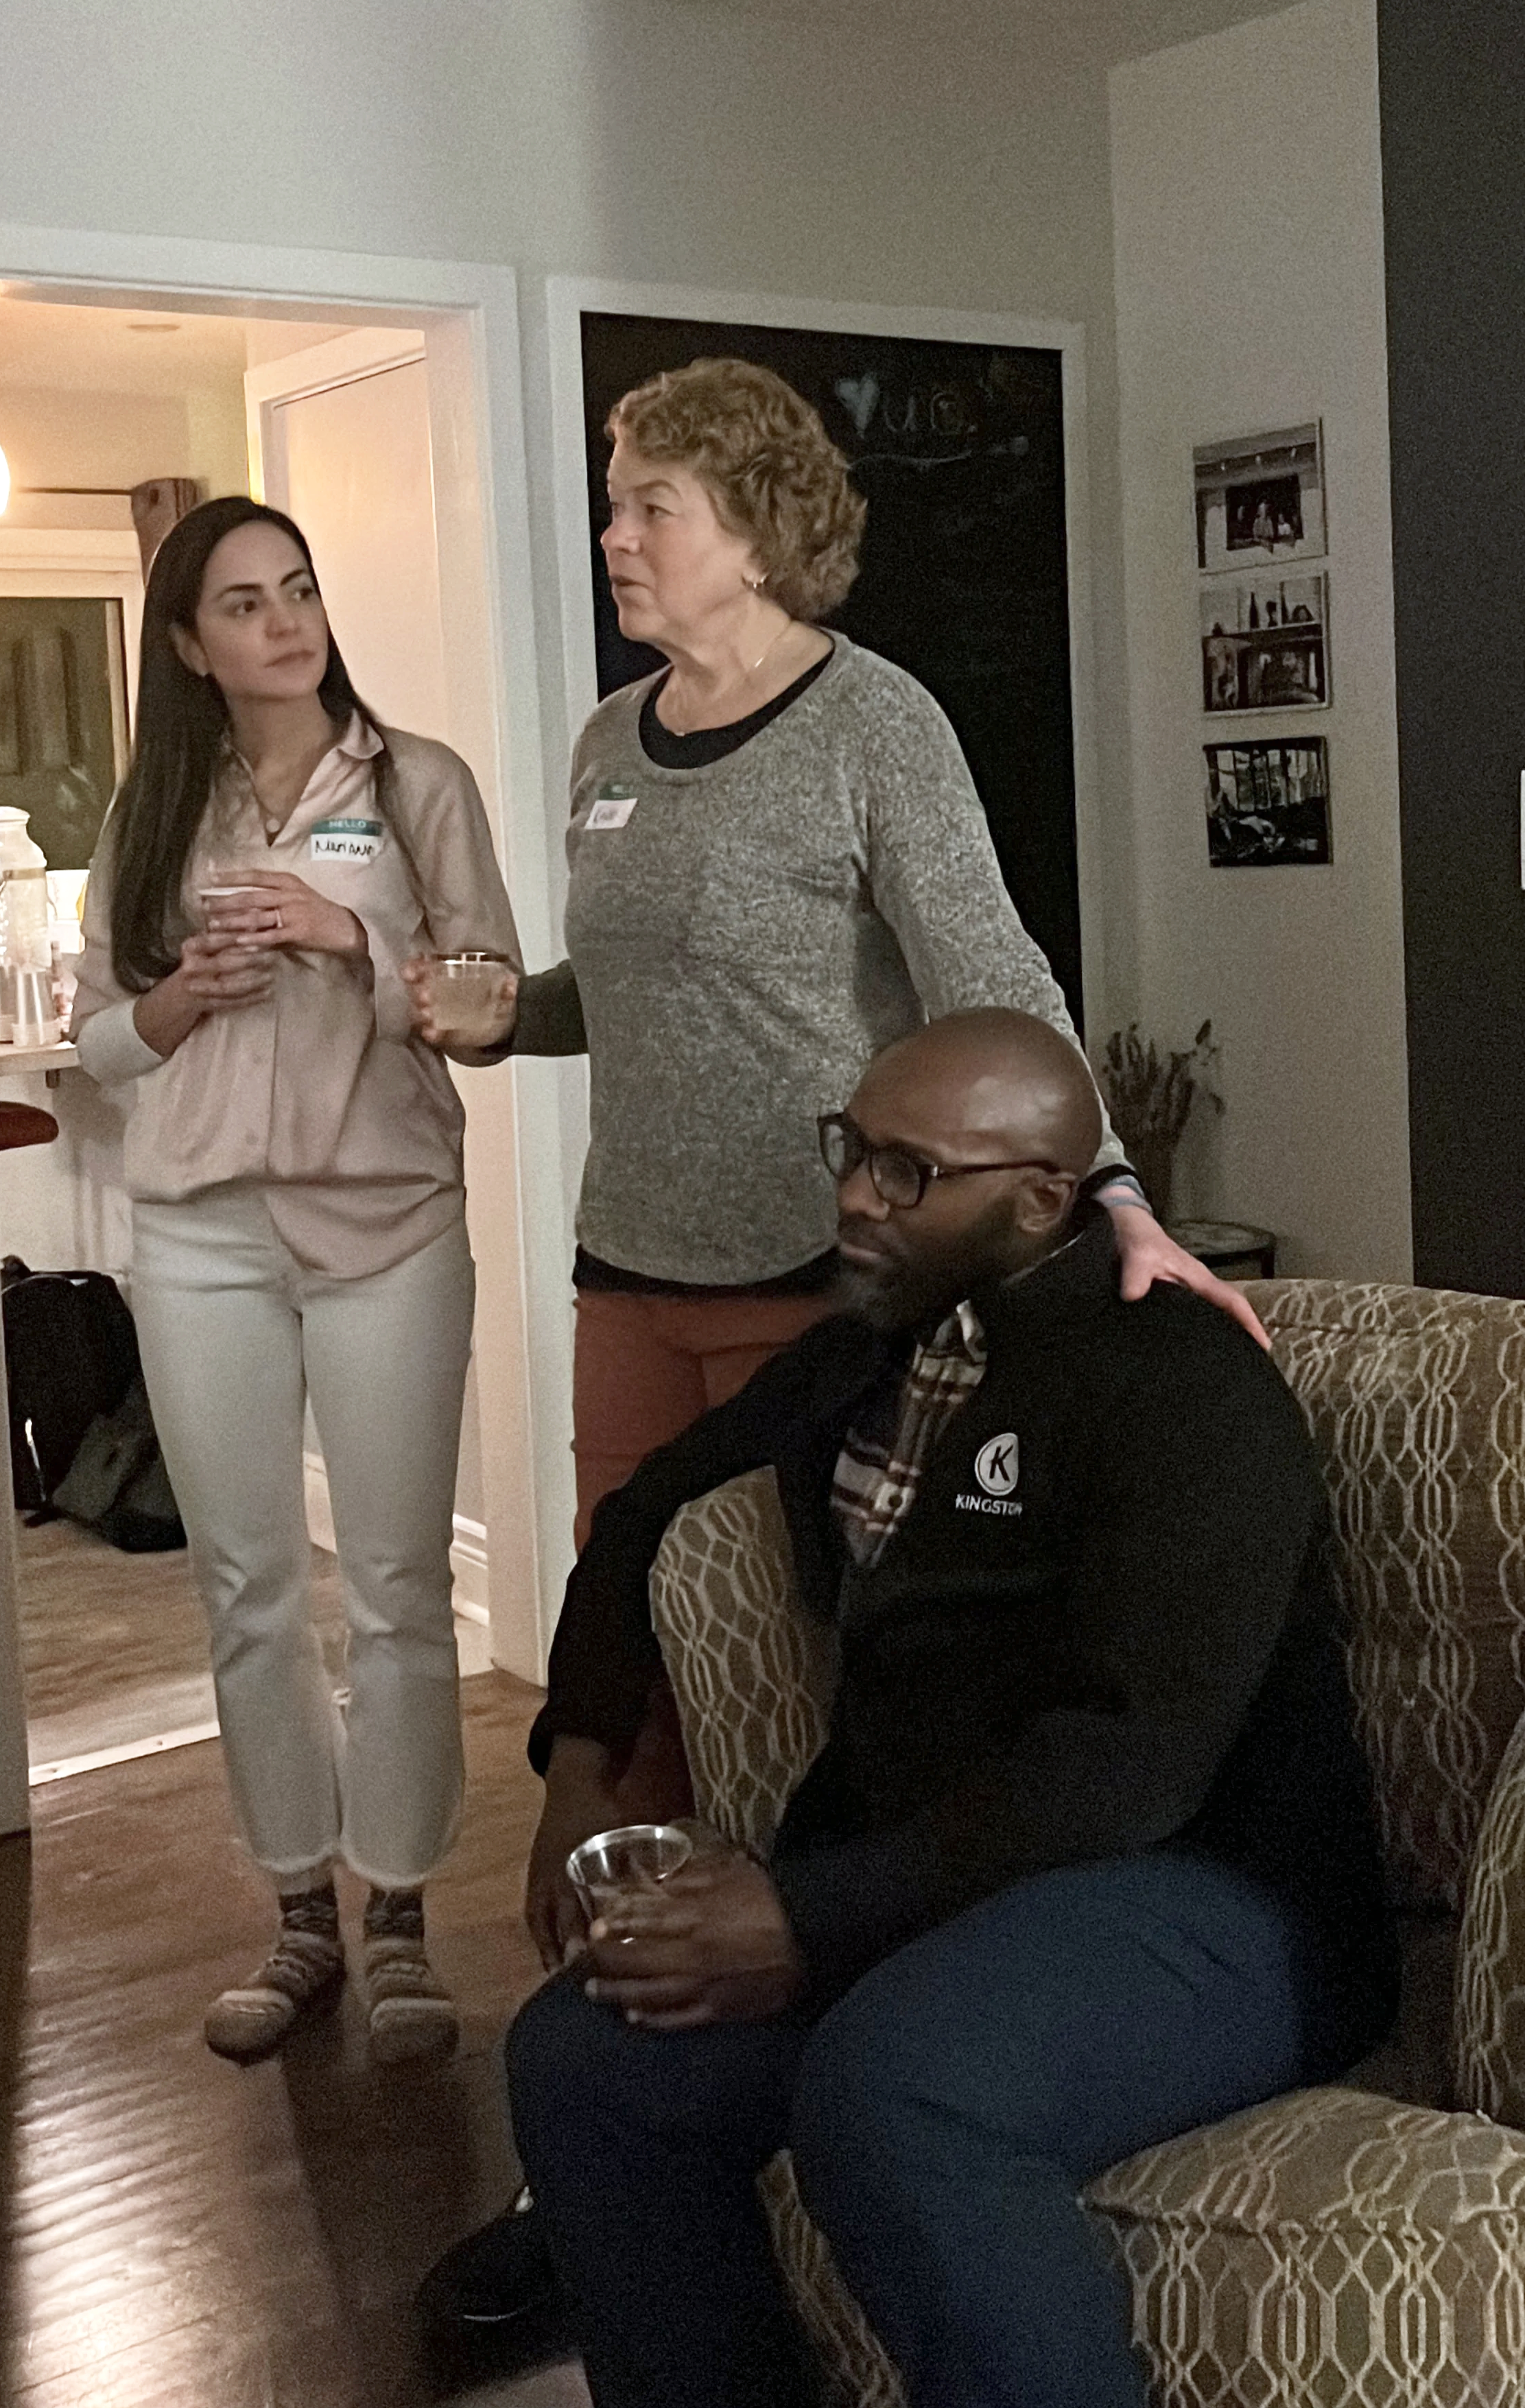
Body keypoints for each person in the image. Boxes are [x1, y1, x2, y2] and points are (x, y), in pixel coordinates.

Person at [411, 354, 1267, 2328]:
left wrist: (1114, 1193)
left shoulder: (875, 721)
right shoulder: (608, 739)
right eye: (615, 501)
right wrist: (496, 1012)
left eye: (647, 505)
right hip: (628, 1263)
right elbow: (618, 987)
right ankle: (610, 2136)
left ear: (757, 521)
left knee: (800, 1703)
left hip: (832, 1278)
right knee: (629, 1686)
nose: (613, 537)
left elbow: (992, 980)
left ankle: (802, 2050)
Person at [506, 1009, 1397, 2408]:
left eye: (906, 1173)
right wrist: (578, 1766)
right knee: (588, 2057)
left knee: (898, 2091)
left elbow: (1136, 1758)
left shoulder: (1177, 1379)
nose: (857, 1194)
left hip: (1205, 1891)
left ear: (1043, 1196)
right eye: (851, 1151)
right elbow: (642, 1514)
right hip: (941, 1881)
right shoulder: (863, 1351)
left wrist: (806, 1917)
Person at [72, 496, 519, 2067]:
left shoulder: (416, 789)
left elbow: (490, 1002)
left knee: (396, 1589)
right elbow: (96, 1047)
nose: (286, 623)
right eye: (246, 604)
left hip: (386, 1223)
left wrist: (353, 938)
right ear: (189, 644)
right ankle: (299, 1918)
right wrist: (182, 996)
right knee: (247, 1588)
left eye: (301, 591)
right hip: (200, 1236)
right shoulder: (153, 817)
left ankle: (396, 1916)